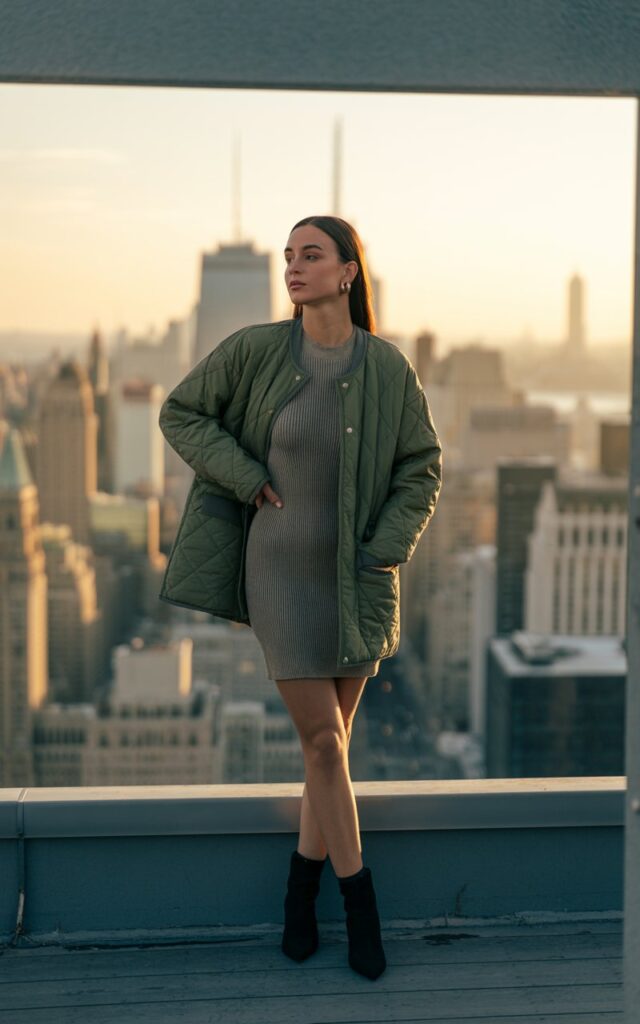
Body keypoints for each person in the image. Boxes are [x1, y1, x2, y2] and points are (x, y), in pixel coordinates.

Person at [158, 214, 443, 981]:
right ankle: (360, 910)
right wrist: (245, 475)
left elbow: (422, 466)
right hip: (279, 570)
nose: (293, 267)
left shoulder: (388, 369)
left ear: (348, 271)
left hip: (359, 578)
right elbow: (180, 412)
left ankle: (298, 894)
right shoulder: (255, 350)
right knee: (322, 744)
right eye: (289, 256)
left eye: (310, 255)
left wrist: (387, 548)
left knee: (332, 754)